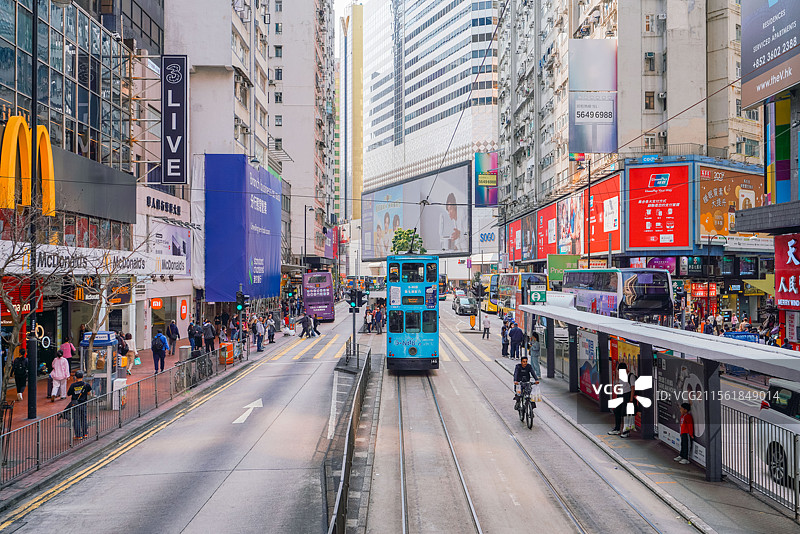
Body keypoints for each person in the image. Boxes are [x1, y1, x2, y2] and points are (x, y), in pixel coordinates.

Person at [608, 362, 635, 437]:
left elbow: (633, 388)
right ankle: (617, 429)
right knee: (616, 410)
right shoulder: (621, 375)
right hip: (620, 395)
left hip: (627, 395)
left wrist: (631, 400)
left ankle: (626, 431)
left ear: (626, 369)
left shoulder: (631, 376)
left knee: (625, 413)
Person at [66, 371, 92, 439]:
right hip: (83, 404)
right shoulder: (86, 385)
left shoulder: (73, 385)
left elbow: (68, 394)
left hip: (75, 404)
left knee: (76, 419)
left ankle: (78, 435)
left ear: (75, 377)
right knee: (84, 419)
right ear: (83, 377)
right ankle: (85, 434)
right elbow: (89, 393)